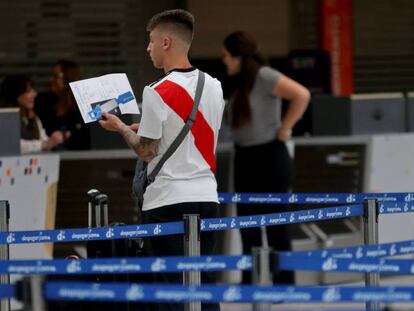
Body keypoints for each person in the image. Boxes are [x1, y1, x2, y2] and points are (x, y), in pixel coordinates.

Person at [99, 9, 225, 311]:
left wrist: (119, 129)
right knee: (203, 281)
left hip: (167, 200)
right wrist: (144, 129)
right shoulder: (214, 85)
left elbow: (146, 151)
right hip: (207, 196)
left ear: (166, 42)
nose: (148, 48)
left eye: (151, 41)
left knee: (168, 286)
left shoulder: (156, 91)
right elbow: (187, 135)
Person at [222, 31, 310, 284]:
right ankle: (250, 282)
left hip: (269, 156)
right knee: (247, 224)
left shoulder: (263, 75)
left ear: (238, 57)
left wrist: (285, 128)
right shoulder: (241, 83)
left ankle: (284, 284)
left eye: (227, 56)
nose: (225, 61)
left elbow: (301, 95)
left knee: (277, 226)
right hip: (245, 157)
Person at [0, 74, 64, 154]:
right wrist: (43, 145)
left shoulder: (33, 117)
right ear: (16, 95)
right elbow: (11, 145)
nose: (35, 94)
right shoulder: (5, 117)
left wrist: (54, 140)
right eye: (29, 91)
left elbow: (44, 140)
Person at [35, 60, 90, 150]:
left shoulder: (83, 109)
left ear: (69, 77)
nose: (51, 79)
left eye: (56, 76)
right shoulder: (45, 104)